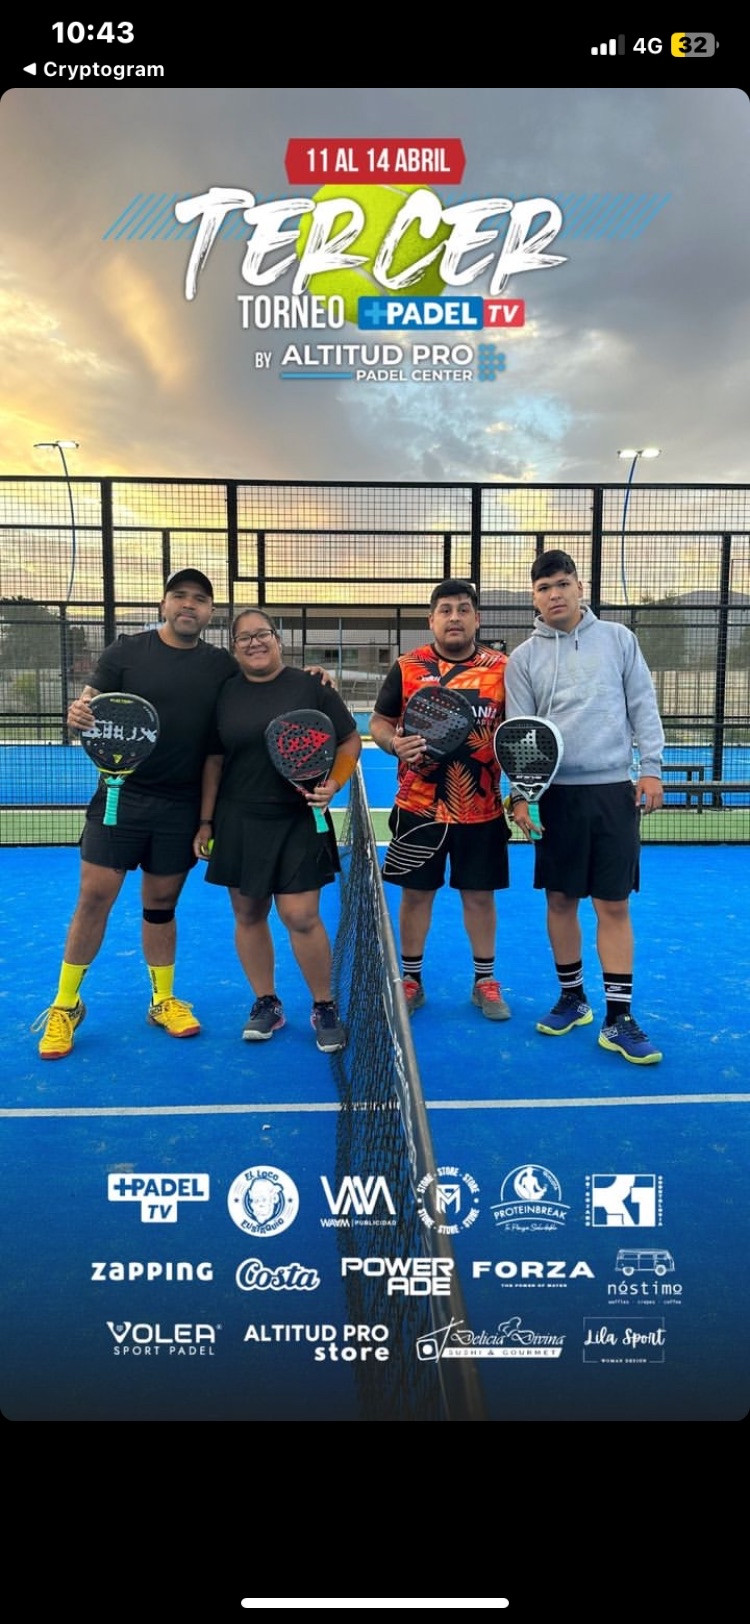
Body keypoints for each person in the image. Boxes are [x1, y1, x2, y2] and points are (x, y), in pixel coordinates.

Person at [31, 569, 332, 1060]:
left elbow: (266, 672)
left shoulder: (220, 665)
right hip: (122, 795)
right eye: (180, 596)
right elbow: (90, 702)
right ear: (164, 605)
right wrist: (79, 711)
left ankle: (162, 1000)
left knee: (161, 903)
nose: (189, 604)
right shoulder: (126, 652)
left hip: (181, 806)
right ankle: (65, 1005)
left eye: (199, 599)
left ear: (210, 612)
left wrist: (313, 677)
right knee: (94, 896)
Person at [503, 549, 665, 1065]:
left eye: (562, 584)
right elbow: (519, 732)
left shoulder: (618, 639)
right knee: (560, 900)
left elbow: (643, 704)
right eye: (544, 587)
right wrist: (522, 794)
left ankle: (619, 1017)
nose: (554, 594)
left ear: (579, 588)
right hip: (555, 797)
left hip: (613, 791)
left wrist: (651, 767)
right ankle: (573, 999)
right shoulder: (523, 658)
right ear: (534, 598)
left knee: (613, 905)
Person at [196, 607, 361, 1053]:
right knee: (248, 914)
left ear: (278, 639)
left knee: (300, 916)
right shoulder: (224, 694)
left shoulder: (311, 686)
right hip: (238, 819)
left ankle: (324, 1005)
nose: (254, 642)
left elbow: (349, 740)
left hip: (299, 819)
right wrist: (206, 821)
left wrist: (334, 783)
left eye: (262, 634)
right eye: (244, 637)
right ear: (234, 648)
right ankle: (266, 1002)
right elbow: (214, 760)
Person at [369, 578, 511, 1020]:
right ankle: (411, 980)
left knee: (480, 897)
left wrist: (522, 794)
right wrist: (393, 743)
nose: (454, 617)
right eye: (445, 610)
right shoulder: (407, 666)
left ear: (477, 619)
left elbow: (515, 731)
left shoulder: (502, 668)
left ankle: (484, 981)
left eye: (463, 609)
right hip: (419, 807)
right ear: (431, 620)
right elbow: (379, 721)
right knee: (416, 895)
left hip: (482, 809)